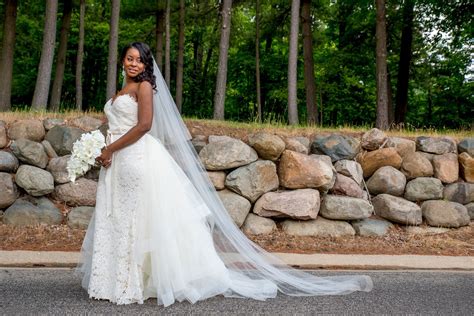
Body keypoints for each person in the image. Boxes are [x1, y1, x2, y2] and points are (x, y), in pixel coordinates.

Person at [76, 42, 373, 307]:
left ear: (146, 65)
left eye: (139, 60)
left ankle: (131, 284)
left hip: (136, 158)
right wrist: (101, 148)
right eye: (129, 58)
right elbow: (116, 124)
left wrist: (110, 148)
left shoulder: (143, 88)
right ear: (123, 61)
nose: (133, 64)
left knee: (135, 219)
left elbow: (143, 126)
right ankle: (115, 280)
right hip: (116, 160)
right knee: (119, 217)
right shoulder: (121, 90)